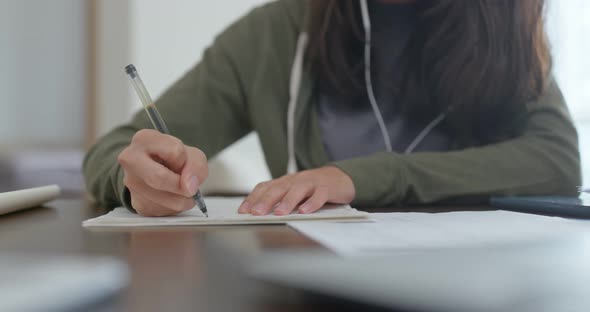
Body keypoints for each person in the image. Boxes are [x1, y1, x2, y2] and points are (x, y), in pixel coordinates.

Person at [83, 0, 581, 217]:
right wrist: (138, 181)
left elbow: (557, 160)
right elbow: (110, 152)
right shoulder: (273, 36)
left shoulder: (503, 26)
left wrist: (365, 176)